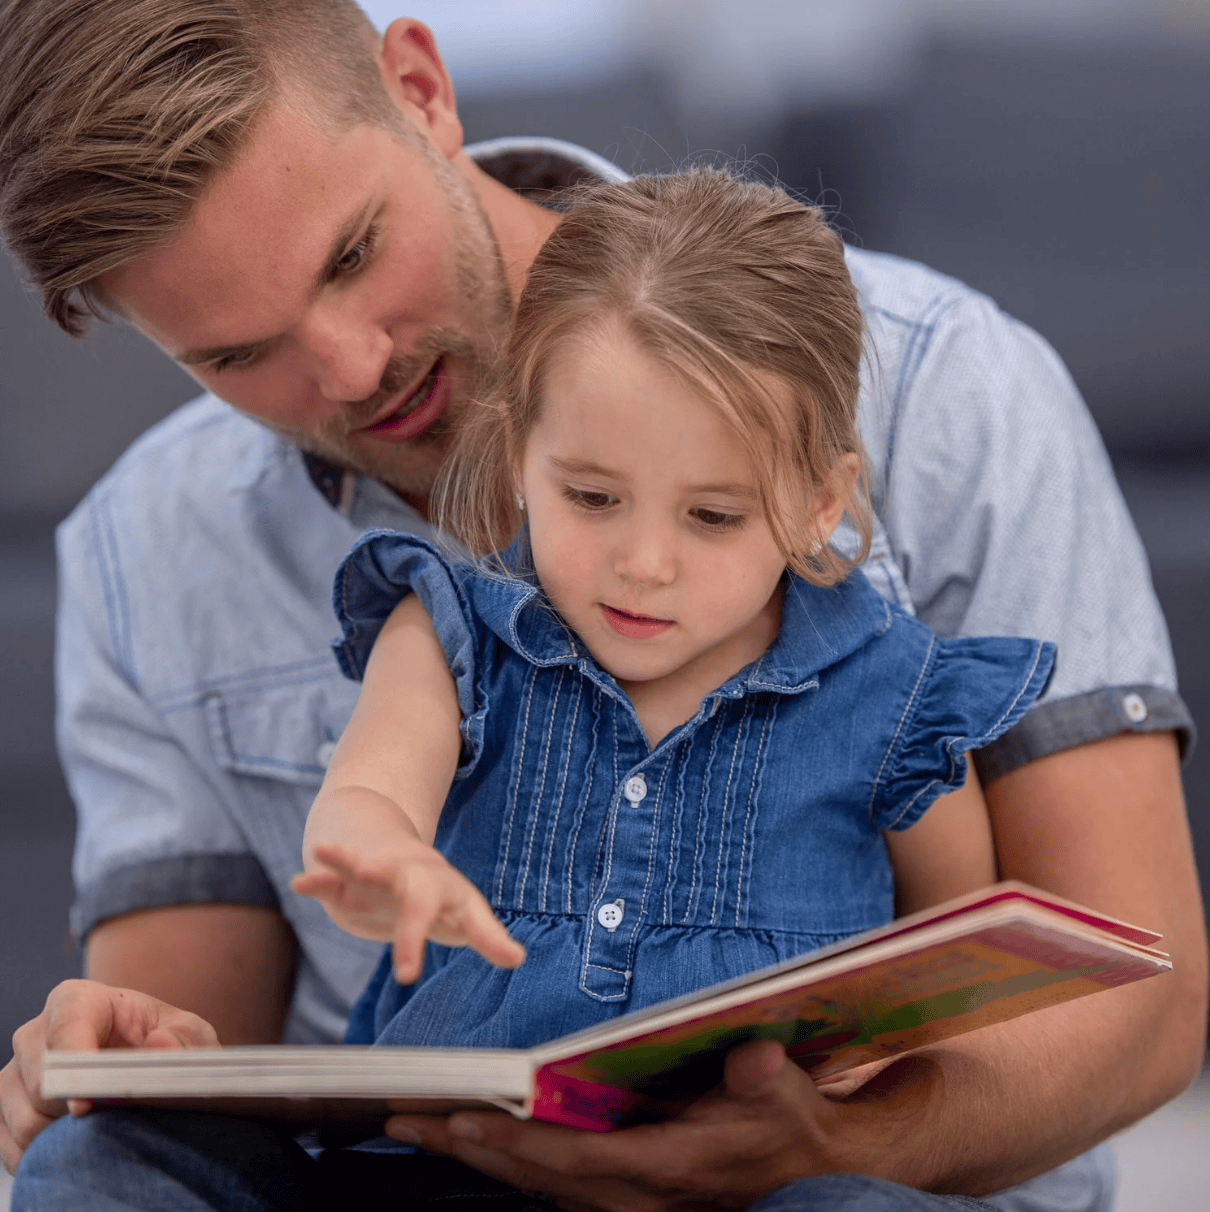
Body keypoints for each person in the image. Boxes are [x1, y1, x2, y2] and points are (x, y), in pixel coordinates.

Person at [0, 0, 1203, 1208]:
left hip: (842, 1183)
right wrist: (120, 1050)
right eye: (235, 354)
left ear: (420, 87)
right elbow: (199, 1057)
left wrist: (834, 1143)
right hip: (428, 1177)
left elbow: (1132, 1001)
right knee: (98, 1162)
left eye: (355, 253)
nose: (353, 370)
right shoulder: (144, 545)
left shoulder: (945, 384)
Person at [291, 169, 1053, 1072]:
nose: (644, 565)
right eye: (592, 496)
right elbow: (368, 795)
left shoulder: (894, 695)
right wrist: (382, 860)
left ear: (820, 501)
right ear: (517, 456)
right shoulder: (453, 635)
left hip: (779, 1165)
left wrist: (878, 1077)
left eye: (713, 517)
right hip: (464, 1151)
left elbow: (951, 947)